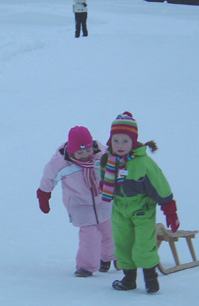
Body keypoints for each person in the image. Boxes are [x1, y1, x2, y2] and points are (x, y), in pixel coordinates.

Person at [100, 112, 180, 294]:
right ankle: (129, 279)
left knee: (143, 245)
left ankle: (151, 279)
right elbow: (103, 182)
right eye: (116, 141)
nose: (120, 146)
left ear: (134, 141)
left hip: (142, 211)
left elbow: (161, 187)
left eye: (125, 141)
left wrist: (171, 213)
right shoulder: (109, 161)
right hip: (120, 209)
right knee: (123, 245)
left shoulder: (143, 164)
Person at [38, 126, 116, 277]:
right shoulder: (61, 162)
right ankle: (86, 266)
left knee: (108, 230)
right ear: (72, 150)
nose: (85, 155)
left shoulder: (101, 153)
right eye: (80, 152)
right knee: (90, 235)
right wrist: (44, 196)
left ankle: (108, 257)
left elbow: (115, 163)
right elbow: (48, 178)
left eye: (87, 151)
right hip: (79, 204)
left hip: (103, 198)